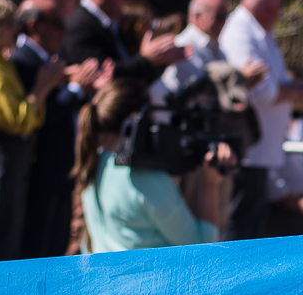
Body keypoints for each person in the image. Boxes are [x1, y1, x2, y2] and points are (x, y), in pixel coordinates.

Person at [0, 0, 65, 263]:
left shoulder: (1, 63)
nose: (15, 28)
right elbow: (18, 120)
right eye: (8, 23)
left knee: (10, 236)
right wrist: (41, 89)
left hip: (10, 153)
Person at [218, 0, 303, 239]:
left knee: (252, 232)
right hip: (249, 153)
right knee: (240, 233)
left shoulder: (260, 32)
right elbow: (260, 92)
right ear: (265, 7)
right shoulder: (241, 32)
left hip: (260, 153)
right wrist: (293, 91)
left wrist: (295, 88)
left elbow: (273, 83)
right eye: (277, 9)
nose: (278, 15)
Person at [75, 82, 229, 252]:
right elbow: (203, 246)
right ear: (136, 119)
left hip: (106, 268)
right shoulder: (146, 177)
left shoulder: (93, 161)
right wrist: (211, 184)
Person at [12, 0, 108, 259]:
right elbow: (42, 115)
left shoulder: (51, 60)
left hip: (60, 166)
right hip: (40, 168)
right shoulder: (23, 60)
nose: (64, 31)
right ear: (33, 25)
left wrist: (84, 86)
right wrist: (75, 88)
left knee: (56, 245)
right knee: (38, 247)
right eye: (57, 23)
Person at [62, 0, 182, 85]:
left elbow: (125, 65)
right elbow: (102, 74)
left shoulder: (110, 22)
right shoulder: (79, 25)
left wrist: (158, 60)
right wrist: (146, 60)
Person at [152, 0, 227, 103]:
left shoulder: (215, 44)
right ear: (197, 16)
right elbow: (199, 89)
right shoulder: (183, 44)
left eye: (225, 16)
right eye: (219, 16)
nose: (223, 22)